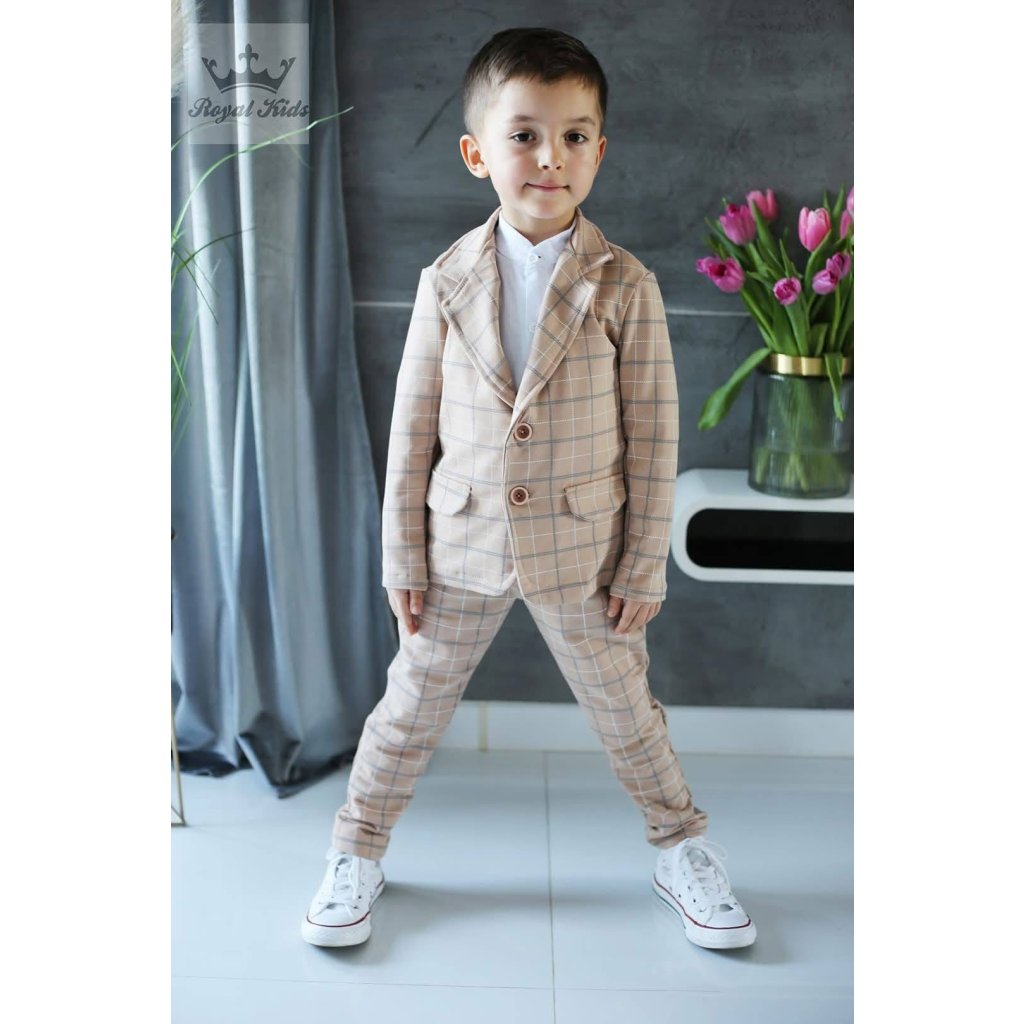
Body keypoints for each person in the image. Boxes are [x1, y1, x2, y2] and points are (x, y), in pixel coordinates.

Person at [302, 26, 756, 952]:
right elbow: (412, 430)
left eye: (574, 136)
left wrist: (643, 563)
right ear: (478, 153)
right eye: (525, 136)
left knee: (628, 713)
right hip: (459, 542)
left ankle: (682, 849)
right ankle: (355, 849)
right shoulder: (444, 281)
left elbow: (654, 433)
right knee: (408, 709)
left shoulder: (625, 285)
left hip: (585, 547)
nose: (551, 157)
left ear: (599, 151)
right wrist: (401, 556)